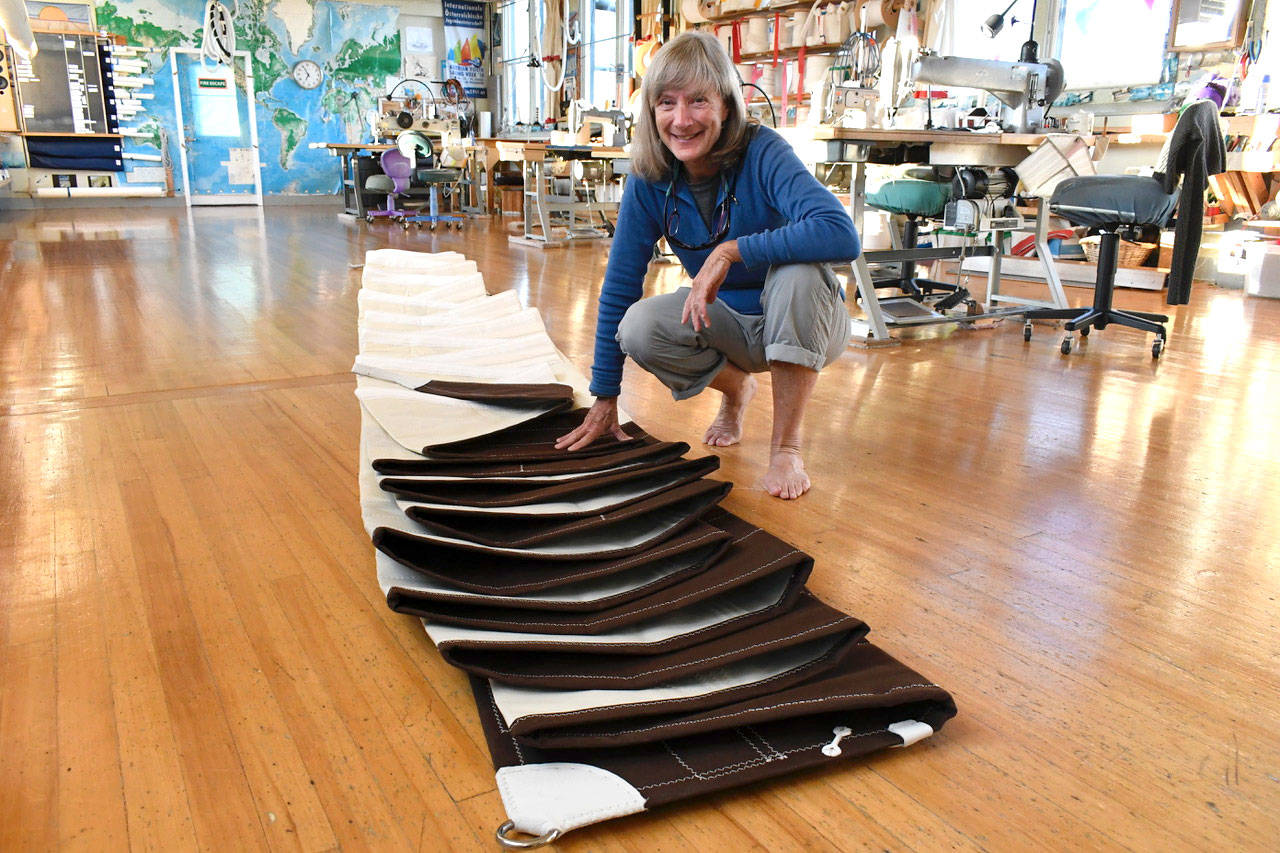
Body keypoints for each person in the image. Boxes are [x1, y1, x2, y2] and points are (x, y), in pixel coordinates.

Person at [555, 31, 860, 499]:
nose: (681, 120)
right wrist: (605, 396)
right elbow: (620, 286)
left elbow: (840, 233)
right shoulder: (648, 177)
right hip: (731, 325)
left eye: (698, 100)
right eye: (667, 103)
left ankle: (786, 449)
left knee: (799, 273)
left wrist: (732, 251)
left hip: (806, 319)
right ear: (651, 111)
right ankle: (736, 392)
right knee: (638, 326)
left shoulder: (763, 151)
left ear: (725, 105)